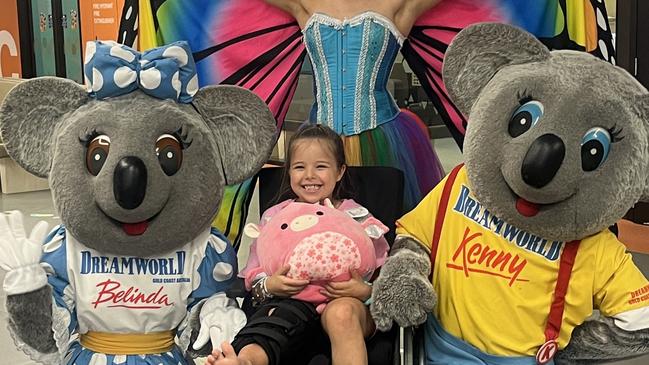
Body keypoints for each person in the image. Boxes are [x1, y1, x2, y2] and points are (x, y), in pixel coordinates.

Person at [208, 123, 390, 365]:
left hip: (346, 302)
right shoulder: (277, 218)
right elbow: (256, 274)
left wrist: (365, 291)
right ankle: (243, 362)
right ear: (289, 172)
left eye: (321, 167)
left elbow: (385, 276)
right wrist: (271, 285)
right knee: (274, 318)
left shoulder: (356, 218)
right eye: (299, 167)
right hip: (291, 302)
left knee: (341, 314)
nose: (309, 176)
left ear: (339, 171)